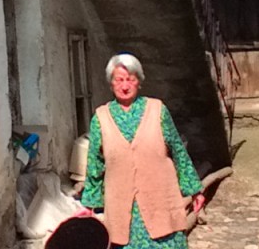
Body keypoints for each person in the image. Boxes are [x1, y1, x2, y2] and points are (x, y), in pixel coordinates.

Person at [77, 53, 204, 249]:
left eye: (131, 79)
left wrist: (194, 191)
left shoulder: (157, 110)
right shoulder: (100, 118)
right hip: (122, 212)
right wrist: (89, 205)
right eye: (119, 80)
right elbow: (95, 165)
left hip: (160, 204)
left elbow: (179, 152)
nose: (125, 86)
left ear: (139, 82)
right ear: (111, 83)